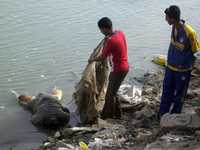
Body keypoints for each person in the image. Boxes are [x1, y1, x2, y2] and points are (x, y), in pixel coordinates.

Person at [159, 5, 200, 117]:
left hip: (182, 71)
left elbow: (196, 52)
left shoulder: (190, 33)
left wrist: (190, 65)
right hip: (170, 68)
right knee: (166, 91)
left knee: (179, 95)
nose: (165, 19)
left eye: (167, 17)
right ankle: (162, 115)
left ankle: (175, 116)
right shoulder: (174, 27)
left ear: (173, 18)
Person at [88, 17, 129, 119]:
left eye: (101, 30)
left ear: (105, 28)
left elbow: (103, 57)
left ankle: (106, 116)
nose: (101, 32)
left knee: (109, 95)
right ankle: (118, 114)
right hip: (125, 67)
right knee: (113, 92)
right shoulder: (119, 33)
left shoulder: (111, 41)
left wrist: (92, 59)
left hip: (118, 70)